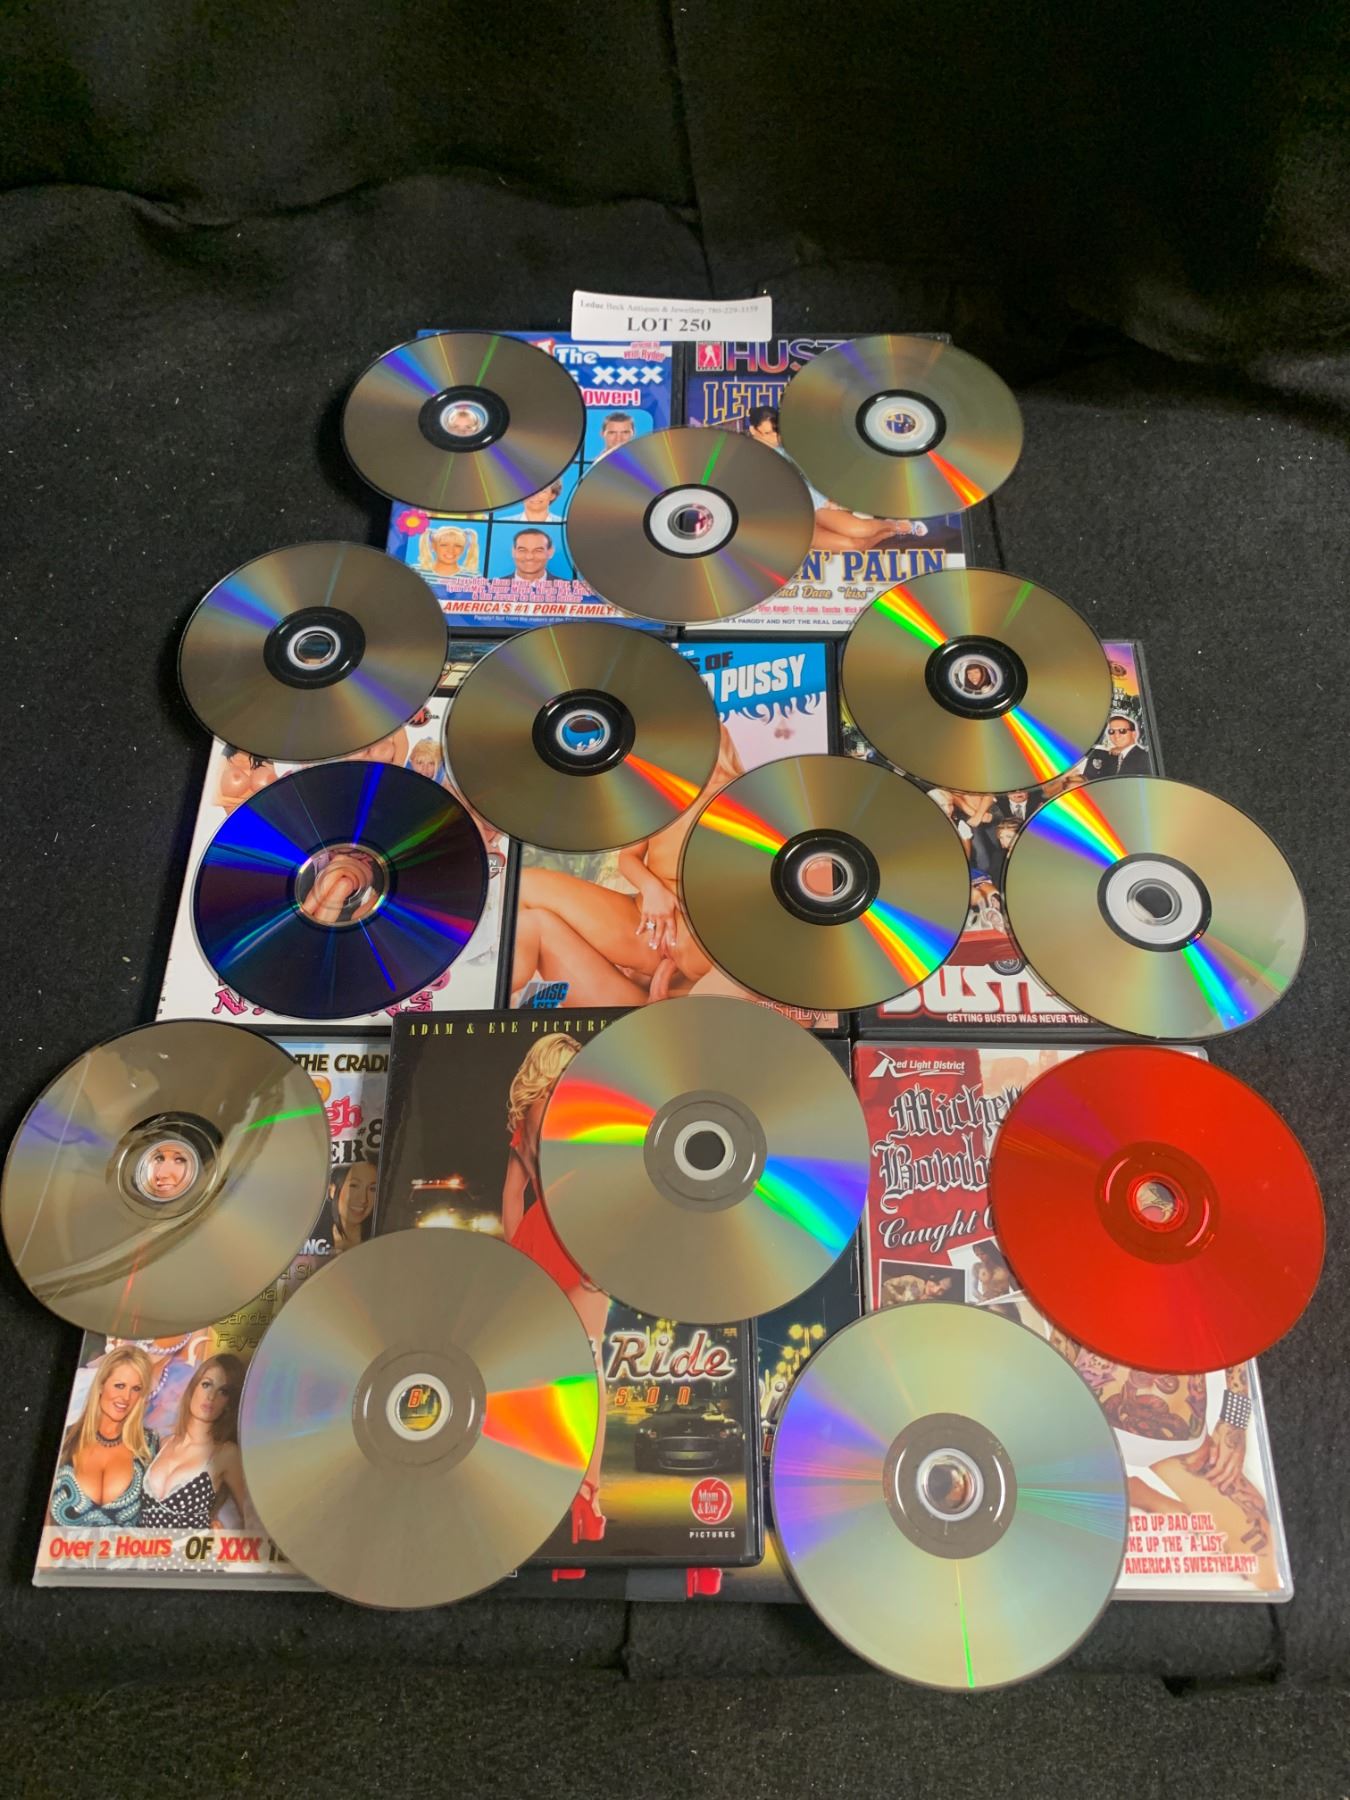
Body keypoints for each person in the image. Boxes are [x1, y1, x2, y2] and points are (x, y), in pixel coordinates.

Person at [511, 723, 745, 1005]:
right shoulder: (659, 793)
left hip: (696, 932)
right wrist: (652, 890)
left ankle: (670, 992)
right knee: (524, 884)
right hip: (643, 918)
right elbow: (629, 857)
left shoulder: (743, 796)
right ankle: (498, 1000)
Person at [1047, 1335, 1279, 1591]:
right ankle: (1129, 1493)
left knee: (1267, 1566)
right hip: (1082, 1415)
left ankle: (1141, 1496)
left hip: (1176, 1439)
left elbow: (1233, 1327)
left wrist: (1235, 1419)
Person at [500, 1035, 610, 1542]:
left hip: (542, 1236)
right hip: (577, 1233)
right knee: (587, 1365)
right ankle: (586, 1496)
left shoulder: (528, 1120)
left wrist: (515, 1254)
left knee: (546, 1366)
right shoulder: (580, 1114)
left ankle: (551, 1484)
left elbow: (513, 1195)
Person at [141, 1354, 257, 1533]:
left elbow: (254, 1522)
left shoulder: (226, 1453)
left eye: (223, 1391)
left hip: (189, 1550)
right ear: (193, 1387)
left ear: (229, 1403)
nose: (211, 1396)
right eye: (206, 1384)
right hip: (143, 1548)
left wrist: (226, 1540)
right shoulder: (164, 1443)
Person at [49, 1347, 158, 1528]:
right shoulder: (64, 1440)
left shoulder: (149, 1445)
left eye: (136, 1389)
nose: (126, 1397)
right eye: (119, 1385)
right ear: (101, 1385)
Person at [321, 1159, 378, 1253]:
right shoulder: (309, 1239)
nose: (363, 1199)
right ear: (332, 1190)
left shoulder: (384, 1238)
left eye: (372, 1189)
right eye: (354, 1186)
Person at [1083, 712, 1152, 779]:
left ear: (1134, 734)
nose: (1116, 735)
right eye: (1111, 731)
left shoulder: (1145, 758)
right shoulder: (1111, 757)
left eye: (1122, 731)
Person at [214, 745, 277, 814]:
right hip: (239, 818)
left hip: (269, 816)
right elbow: (216, 799)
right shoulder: (225, 758)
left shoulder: (266, 758)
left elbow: (275, 794)